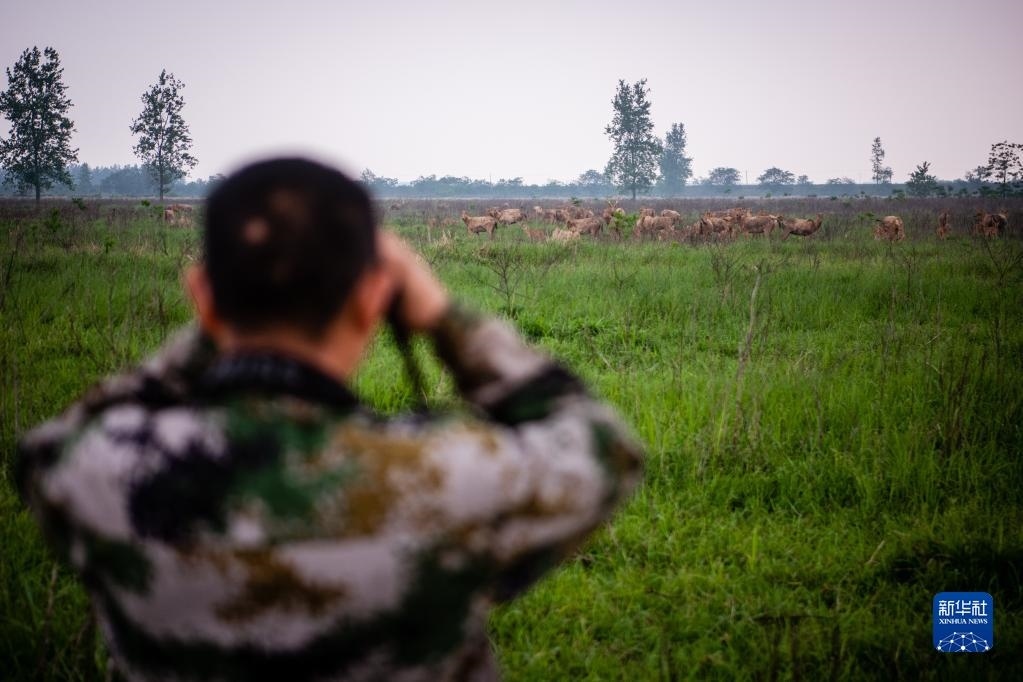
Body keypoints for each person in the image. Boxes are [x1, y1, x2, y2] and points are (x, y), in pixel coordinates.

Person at [17, 158, 643, 681]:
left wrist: (221, 324)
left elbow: (44, 447)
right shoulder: (444, 478)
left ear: (204, 297)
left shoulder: (107, 475)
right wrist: (444, 317)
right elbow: (601, 446)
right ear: (372, 296)